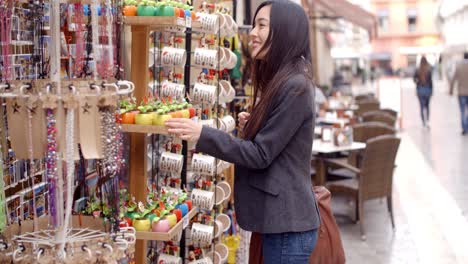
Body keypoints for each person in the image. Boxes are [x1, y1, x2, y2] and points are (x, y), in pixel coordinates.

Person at [165, 1, 320, 263]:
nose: (253, 32)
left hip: (286, 225)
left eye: (262, 25)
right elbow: (278, 144)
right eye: (254, 24)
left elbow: (261, 154)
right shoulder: (285, 80)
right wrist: (255, 125)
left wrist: (202, 134)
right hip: (278, 222)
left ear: (284, 31)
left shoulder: (295, 86)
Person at [449, 52, 468, 135]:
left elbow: (453, 79)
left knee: (462, 111)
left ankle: (464, 128)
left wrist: (451, 90)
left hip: (461, 93)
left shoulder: (459, 66)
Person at [413, 56, 433, 128]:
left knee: (421, 106)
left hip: (420, 90)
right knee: (427, 106)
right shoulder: (429, 69)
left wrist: (418, 81)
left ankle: (423, 122)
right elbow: (431, 81)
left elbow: (414, 79)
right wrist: (431, 91)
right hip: (427, 89)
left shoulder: (418, 69)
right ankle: (427, 120)